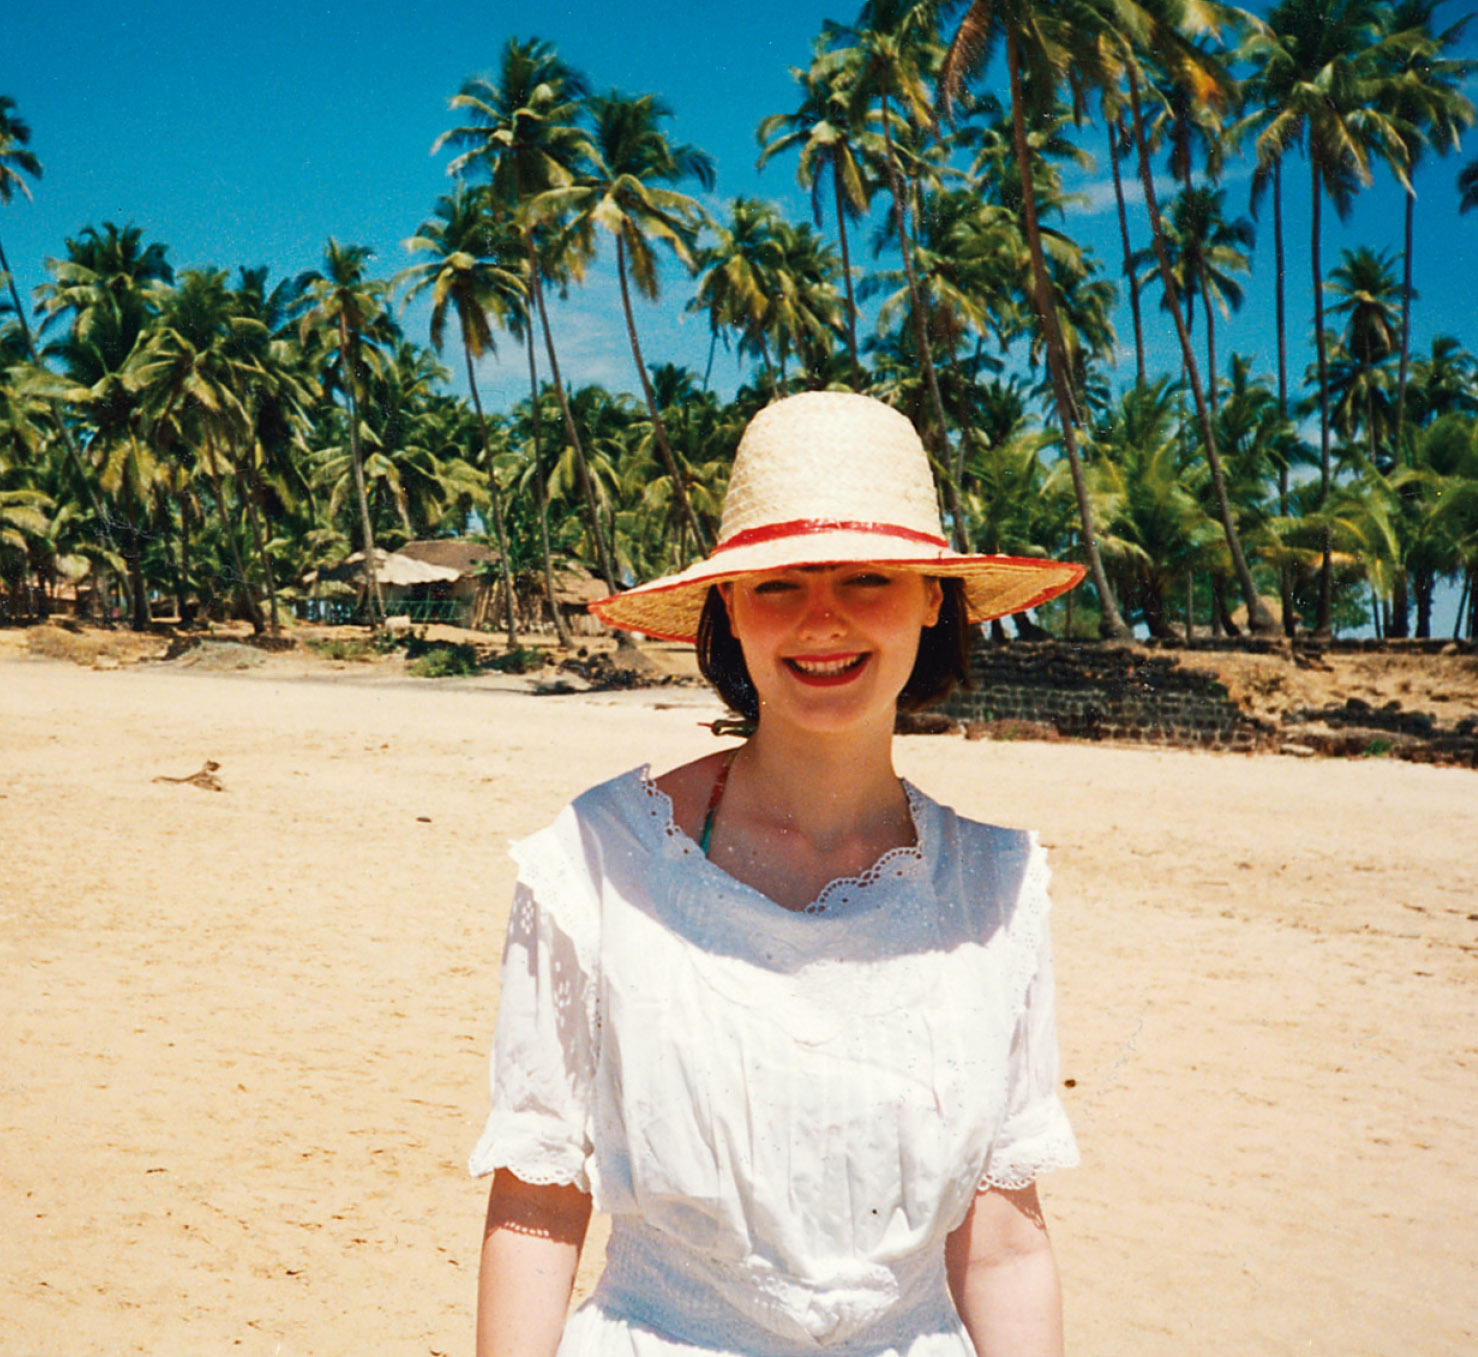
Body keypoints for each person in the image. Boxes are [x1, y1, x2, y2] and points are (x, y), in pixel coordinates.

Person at [470, 391, 1085, 1357]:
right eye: (779, 585)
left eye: (869, 578)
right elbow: (540, 1203)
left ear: (934, 598)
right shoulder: (596, 862)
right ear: (728, 607)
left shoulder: (996, 889)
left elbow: (1003, 1246)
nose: (822, 620)